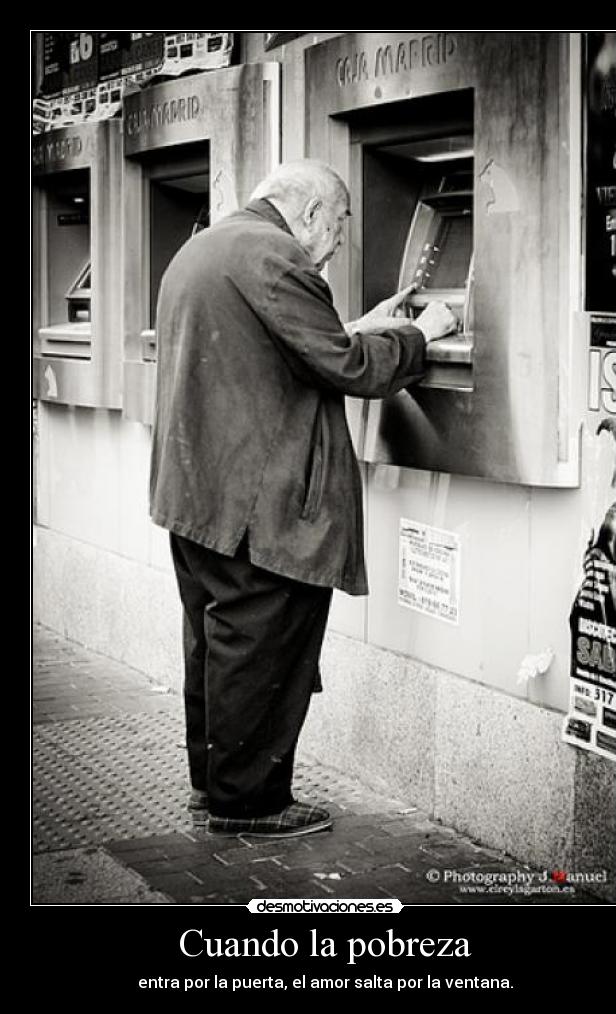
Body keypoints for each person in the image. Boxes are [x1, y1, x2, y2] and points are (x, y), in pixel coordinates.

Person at [149, 159, 456, 838]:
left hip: (198, 495)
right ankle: (249, 804)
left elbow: (278, 347)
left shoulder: (207, 248)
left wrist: (359, 322)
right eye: (341, 226)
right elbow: (345, 368)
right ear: (313, 212)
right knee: (261, 648)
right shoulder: (277, 257)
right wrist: (421, 335)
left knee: (214, 642)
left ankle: (213, 785)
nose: (341, 242)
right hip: (257, 504)